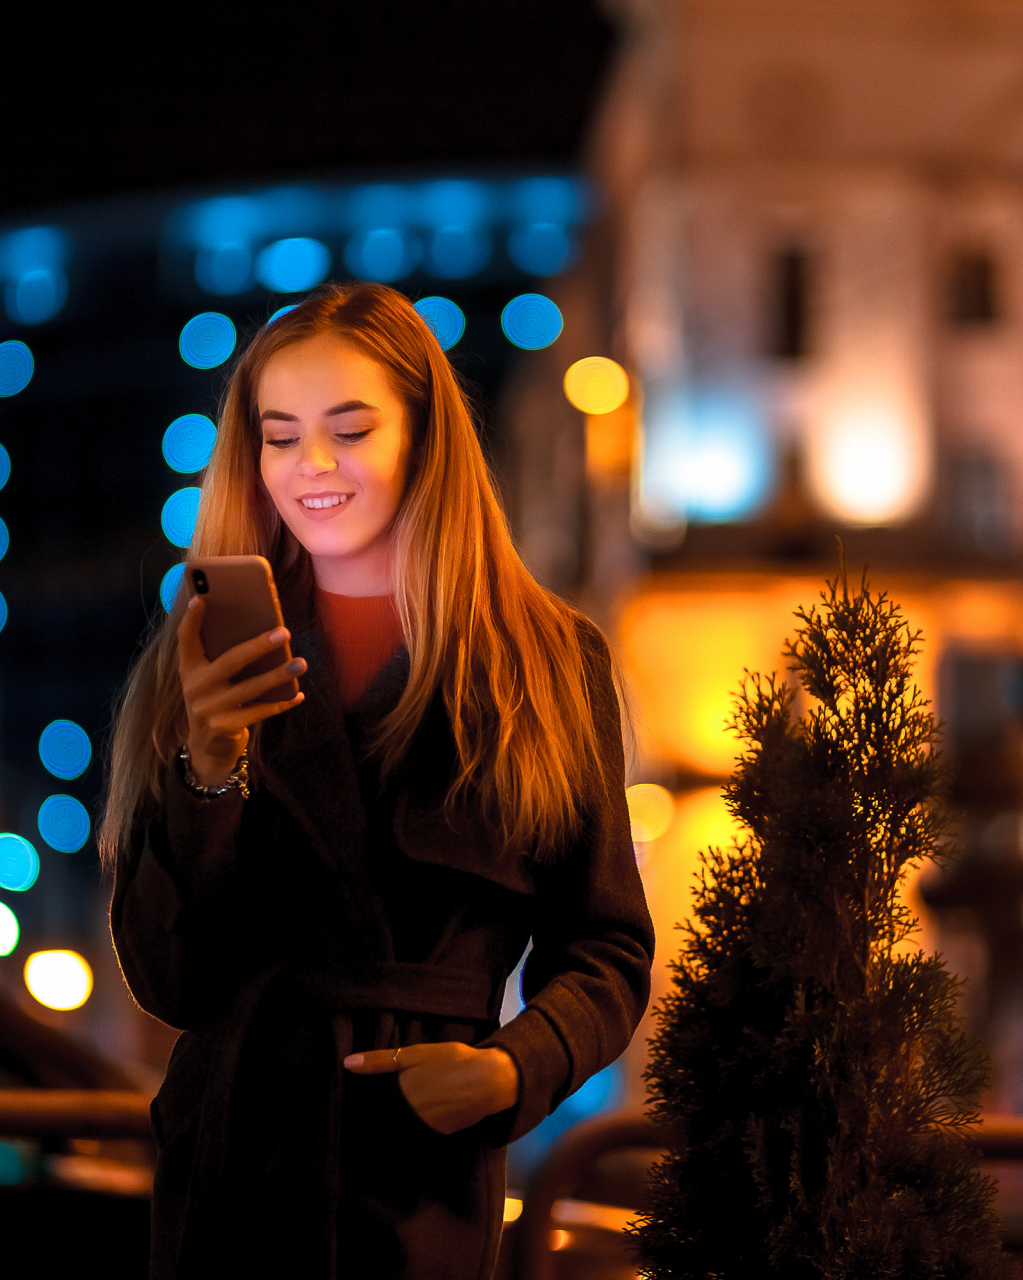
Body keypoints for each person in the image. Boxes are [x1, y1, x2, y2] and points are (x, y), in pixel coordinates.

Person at [102, 281, 653, 1280]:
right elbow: (167, 975)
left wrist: (509, 1066)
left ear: (425, 439)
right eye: (279, 435)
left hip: (419, 1172)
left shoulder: (544, 660)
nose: (311, 465)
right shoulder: (194, 660)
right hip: (236, 1163)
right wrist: (210, 762)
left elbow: (607, 943)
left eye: (349, 429)